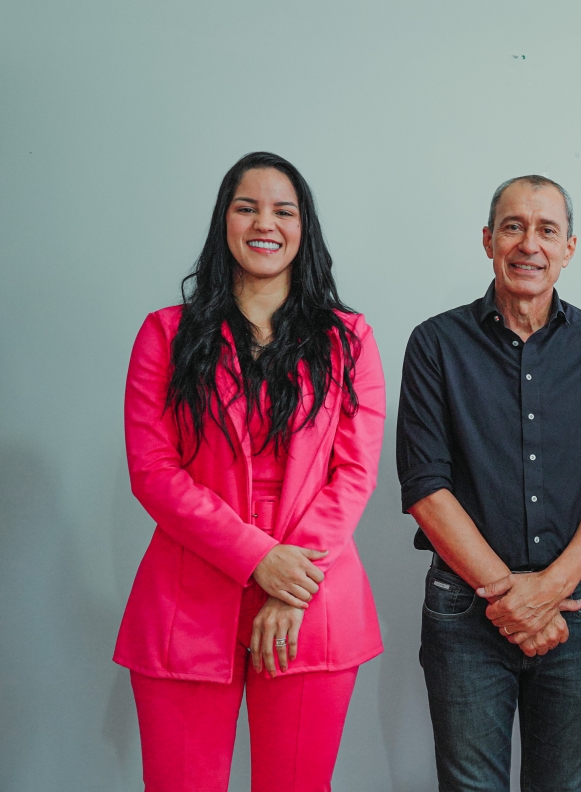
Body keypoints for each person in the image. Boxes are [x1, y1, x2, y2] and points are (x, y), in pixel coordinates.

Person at [114, 152, 387, 792]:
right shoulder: (166, 334)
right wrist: (257, 558)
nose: (265, 223)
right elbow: (153, 470)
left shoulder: (349, 339)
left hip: (311, 597)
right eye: (247, 208)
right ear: (224, 221)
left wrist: (289, 584)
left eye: (283, 211)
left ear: (303, 228)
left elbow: (354, 473)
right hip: (187, 597)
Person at [396, 175, 581, 792]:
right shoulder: (435, 344)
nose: (529, 244)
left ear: (569, 248)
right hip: (464, 611)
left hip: (575, 610)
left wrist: (550, 590)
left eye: (546, 230)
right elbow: (425, 485)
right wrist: (514, 600)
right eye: (513, 227)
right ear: (488, 240)